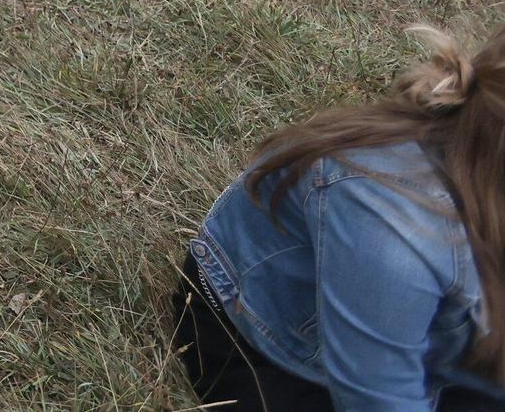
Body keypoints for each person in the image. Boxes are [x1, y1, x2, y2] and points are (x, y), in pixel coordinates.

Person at [175, 23, 505, 409]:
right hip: (274, 350)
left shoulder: (484, 174)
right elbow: (381, 402)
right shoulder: (394, 229)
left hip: (430, 345)